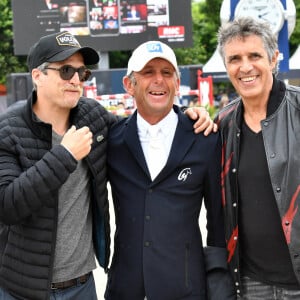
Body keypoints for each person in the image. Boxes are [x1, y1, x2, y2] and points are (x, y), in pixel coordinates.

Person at [0, 32, 214, 300]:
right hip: (23, 290)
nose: (76, 80)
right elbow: (6, 206)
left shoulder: (96, 120)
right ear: (37, 76)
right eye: (66, 71)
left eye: (82, 73)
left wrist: (188, 116)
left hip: (83, 287)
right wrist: (64, 155)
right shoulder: (8, 130)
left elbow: (148, 120)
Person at [104, 40, 235, 300]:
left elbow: (217, 222)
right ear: (129, 84)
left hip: (185, 288)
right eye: (148, 72)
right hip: (125, 287)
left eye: (166, 73)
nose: (158, 80)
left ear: (176, 83)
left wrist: (219, 285)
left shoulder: (204, 138)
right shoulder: (111, 139)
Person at [215, 17, 300, 299]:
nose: (245, 67)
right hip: (249, 282)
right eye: (235, 59)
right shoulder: (223, 124)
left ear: (274, 59)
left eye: (254, 55)